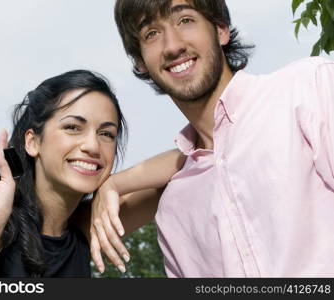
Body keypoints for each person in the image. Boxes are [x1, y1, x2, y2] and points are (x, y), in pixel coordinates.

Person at [90, 0, 334, 277]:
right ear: (140, 62)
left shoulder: (307, 89)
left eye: (185, 20)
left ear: (220, 29)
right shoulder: (173, 208)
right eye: (151, 34)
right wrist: (110, 184)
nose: (172, 46)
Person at [0, 70, 131, 277]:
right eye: (73, 127)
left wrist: (113, 184)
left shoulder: (92, 223)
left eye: (106, 134)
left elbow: (169, 170)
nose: (93, 146)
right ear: (33, 142)